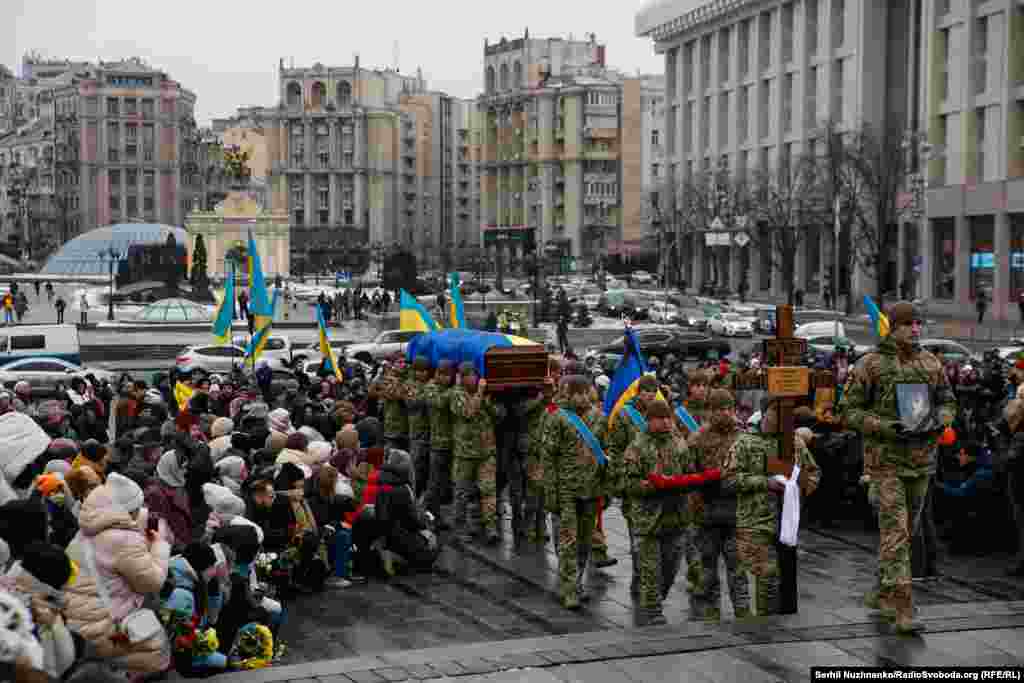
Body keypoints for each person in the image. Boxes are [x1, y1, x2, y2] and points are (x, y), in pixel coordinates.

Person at [839, 301, 956, 634]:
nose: (915, 329)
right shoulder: (870, 364)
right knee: (895, 532)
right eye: (908, 324)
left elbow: (948, 400)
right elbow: (848, 410)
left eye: (919, 323)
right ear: (893, 326)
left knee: (907, 532)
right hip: (885, 462)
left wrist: (940, 420)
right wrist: (884, 427)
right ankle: (903, 606)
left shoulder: (931, 362)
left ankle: (882, 591)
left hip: (921, 462)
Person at [63, 473, 172, 678]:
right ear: (127, 511)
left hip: (75, 622)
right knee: (157, 642)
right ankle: (125, 675)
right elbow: (152, 583)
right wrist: (159, 546)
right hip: (105, 628)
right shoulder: (124, 540)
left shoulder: (87, 528)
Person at [722, 401, 819, 617]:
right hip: (754, 521)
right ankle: (764, 625)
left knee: (779, 580)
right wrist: (765, 482)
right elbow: (728, 480)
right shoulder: (745, 442)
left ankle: (770, 624)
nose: (782, 418)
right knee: (767, 574)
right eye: (777, 413)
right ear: (765, 414)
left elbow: (813, 474)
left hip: (786, 522)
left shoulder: (794, 443)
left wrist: (798, 488)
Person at [542, 375, 608, 610]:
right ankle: (569, 589)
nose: (581, 397)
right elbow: (548, 459)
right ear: (566, 393)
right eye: (576, 393)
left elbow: (606, 456)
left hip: (591, 490)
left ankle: (576, 582)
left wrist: (606, 488)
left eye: (584, 392)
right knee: (568, 541)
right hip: (566, 490)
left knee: (584, 543)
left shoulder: (599, 418)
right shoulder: (557, 419)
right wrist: (550, 493)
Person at [450, 361, 501, 546]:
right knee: (462, 493)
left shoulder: (487, 394)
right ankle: (460, 530)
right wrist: (479, 393)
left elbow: (499, 415)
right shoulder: (456, 394)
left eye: (474, 375)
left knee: (488, 491)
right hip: (465, 454)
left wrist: (488, 402)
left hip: (486, 452)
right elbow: (468, 412)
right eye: (469, 375)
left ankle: (490, 528)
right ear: (462, 378)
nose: (473, 379)